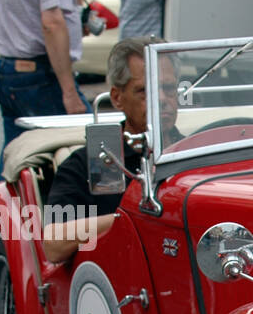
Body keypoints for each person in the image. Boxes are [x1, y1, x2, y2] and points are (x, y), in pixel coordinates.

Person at [42, 37, 179, 264]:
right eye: (144, 91)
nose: (162, 100)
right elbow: (53, 244)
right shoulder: (88, 163)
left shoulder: (197, 152)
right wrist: (129, 217)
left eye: (168, 88)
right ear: (117, 98)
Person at [0, 0, 90, 178]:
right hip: (40, 73)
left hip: (9, 67)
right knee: (92, 147)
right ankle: (84, 217)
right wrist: (69, 91)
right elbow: (51, 22)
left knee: (16, 158)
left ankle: (2, 215)